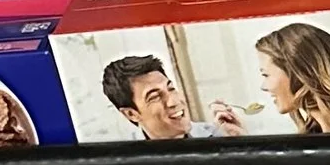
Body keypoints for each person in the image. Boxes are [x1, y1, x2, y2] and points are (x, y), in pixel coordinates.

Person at [99, 54, 238, 141]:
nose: (173, 101)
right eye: (154, 97)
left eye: (171, 88)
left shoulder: (220, 137)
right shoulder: (123, 161)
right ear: (131, 114)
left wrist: (239, 146)